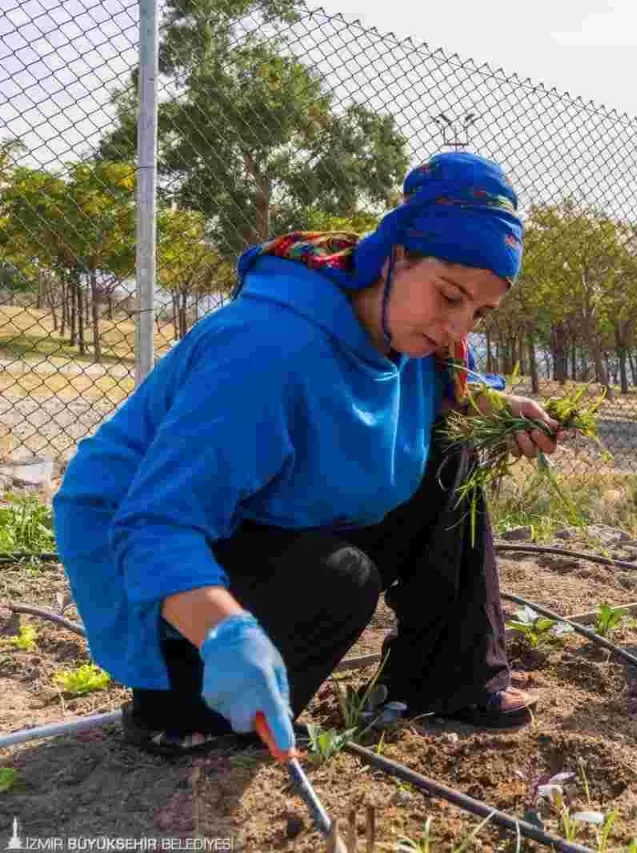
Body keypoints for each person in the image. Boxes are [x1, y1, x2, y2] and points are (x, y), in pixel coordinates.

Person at [52, 152, 561, 757]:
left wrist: (499, 408)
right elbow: (152, 525)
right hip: (143, 547)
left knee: (450, 453)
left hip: (255, 520)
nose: (458, 329)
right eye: (449, 296)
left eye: (479, 313)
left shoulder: (415, 341)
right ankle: (178, 701)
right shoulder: (267, 348)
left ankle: (444, 679)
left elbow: (446, 395)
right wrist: (226, 635)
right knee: (338, 580)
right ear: (395, 255)